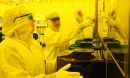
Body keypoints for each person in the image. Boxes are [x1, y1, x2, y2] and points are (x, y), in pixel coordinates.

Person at [0, 5, 83, 78]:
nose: (34, 21)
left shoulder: (32, 43)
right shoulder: (7, 47)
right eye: (30, 18)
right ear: (19, 22)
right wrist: (53, 77)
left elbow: (43, 66)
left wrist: (63, 61)